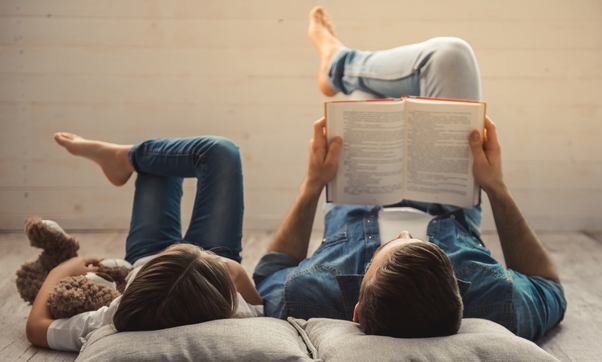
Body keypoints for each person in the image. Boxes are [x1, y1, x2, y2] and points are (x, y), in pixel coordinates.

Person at [252, 7, 566, 341]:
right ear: (460, 299)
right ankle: (337, 63)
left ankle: (337, 64)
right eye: (418, 244)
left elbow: (271, 271)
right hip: (446, 194)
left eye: (386, 248)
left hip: (360, 189)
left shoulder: (306, 295)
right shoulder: (494, 300)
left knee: (367, 96)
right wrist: (496, 187)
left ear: (357, 310)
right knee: (451, 55)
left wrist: (313, 183)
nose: (403, 232)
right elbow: (549, 288)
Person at [26, 134, 264, 352]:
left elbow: (36, 328)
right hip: (212, 261)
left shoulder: (118, 313)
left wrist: (61, 268)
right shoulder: (235, 310)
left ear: (133, 286)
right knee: (219, 151)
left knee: (159, 167)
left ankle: (123, 158)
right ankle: (124, 157)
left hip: (147, 255)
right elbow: (259, 309)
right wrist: (238, 273)